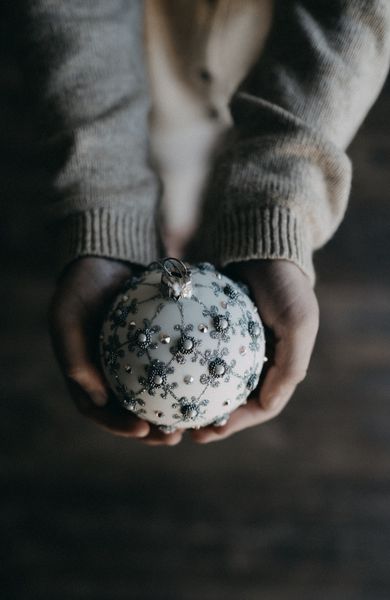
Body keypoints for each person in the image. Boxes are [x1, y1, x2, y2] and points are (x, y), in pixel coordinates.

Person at [18, 1, 390, 445]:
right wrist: (105, 207)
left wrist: (274, 206)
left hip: (277, 65)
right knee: (169, 174)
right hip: (133, 69)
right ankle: (170, 223)